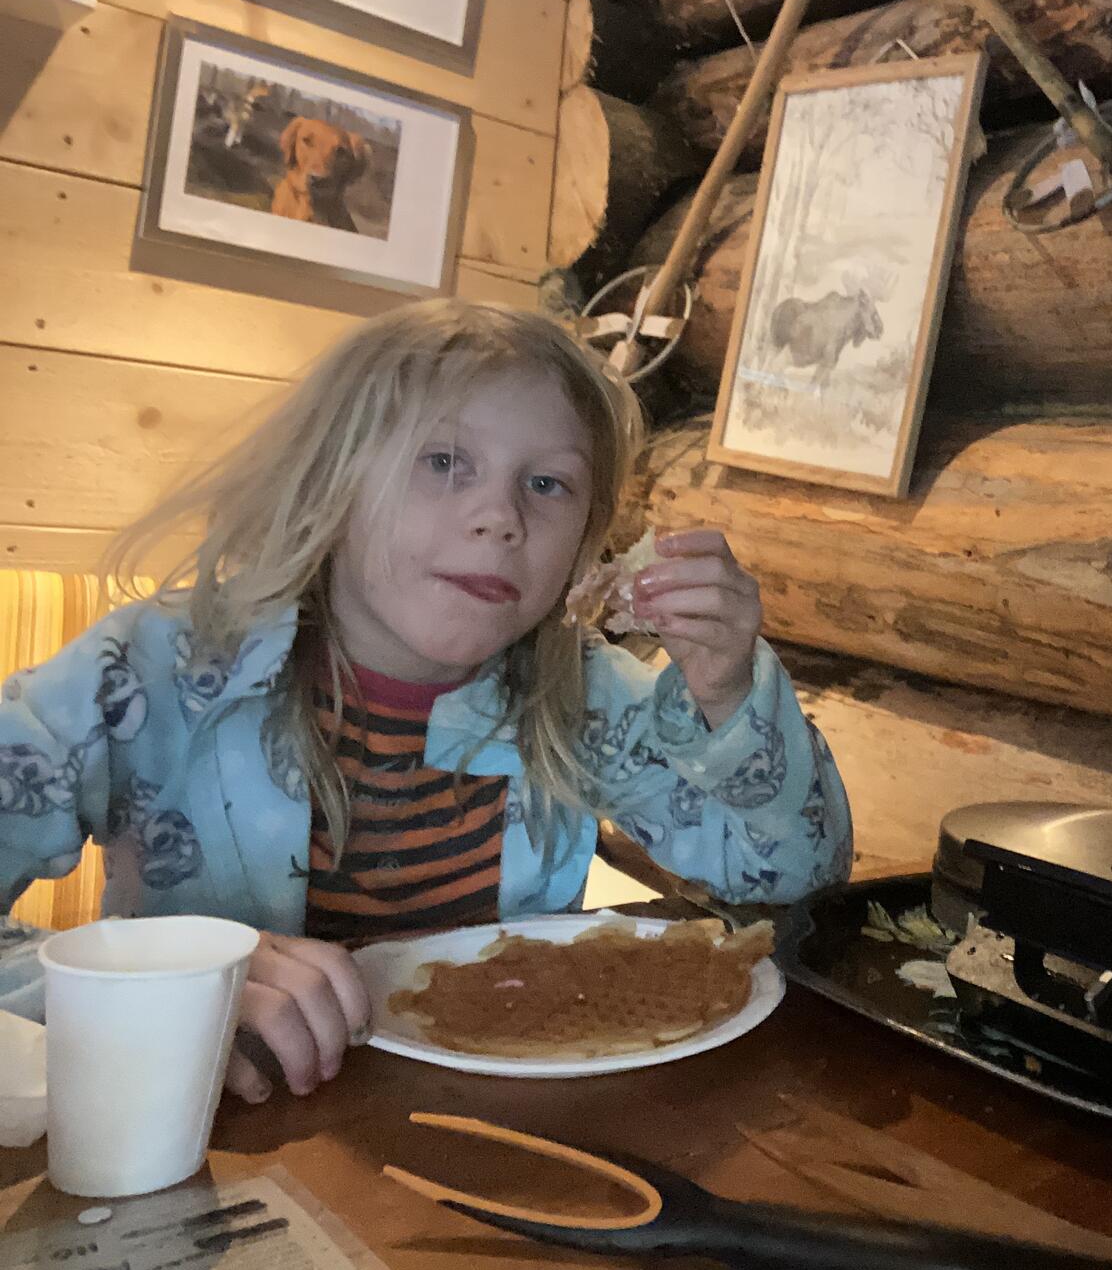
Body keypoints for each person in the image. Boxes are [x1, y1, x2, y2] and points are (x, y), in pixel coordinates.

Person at [0, 301, 853, 1106]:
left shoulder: (582, 692)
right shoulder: (150, 673)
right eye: (444, 462)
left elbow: (795, 880)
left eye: (548, 484)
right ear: (331, 486)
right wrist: (156, 987)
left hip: (510, 1127)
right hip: (221, 1140)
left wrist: (728, 695)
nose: (500, 517)